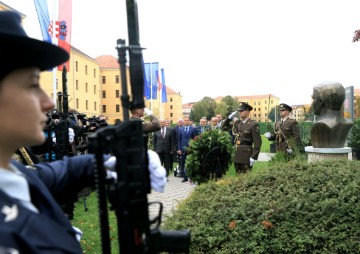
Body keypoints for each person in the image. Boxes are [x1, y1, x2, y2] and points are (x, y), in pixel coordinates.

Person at [0, 11, 166, 253]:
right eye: (32, 84)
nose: (49, 103)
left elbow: (62, 171)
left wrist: (108, 162)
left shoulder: (12, 173)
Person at [222, 102, 262, 174]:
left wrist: (254, 156)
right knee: (238, 177)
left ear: (247, 112)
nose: (240, 112)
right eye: (239, 111)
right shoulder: (238, 123)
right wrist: (228, 118)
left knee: (246, 178)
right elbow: (224, 127)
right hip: (237, 154)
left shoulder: (253, 124)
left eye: (242, 111)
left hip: (246, 155)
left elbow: (258, 142)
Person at [310, 82, 353, 148]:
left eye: (313, 99)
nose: (312, 103)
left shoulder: (319, 125)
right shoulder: (348, 123)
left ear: (320, 101)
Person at [177, 117, 197, 182]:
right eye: (185, 120)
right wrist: (179, 149)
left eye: (187, 120)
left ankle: (191, 177)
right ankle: (185, 177)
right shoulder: (181, 129)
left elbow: (195, 139)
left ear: (189, 121)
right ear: (183, 121)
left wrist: (193, 147)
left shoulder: (193, 129)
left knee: (191, 163)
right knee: (183, 163)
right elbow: (179, 140)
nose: (186, 121)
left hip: (190, 149)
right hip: (182, 149)